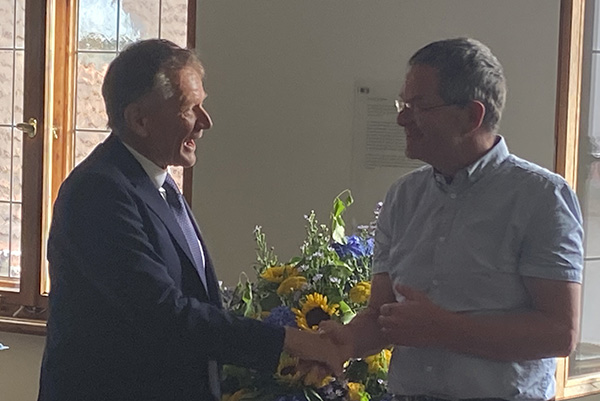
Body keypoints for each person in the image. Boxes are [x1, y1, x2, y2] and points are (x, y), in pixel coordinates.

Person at [38, 39, 344, 401]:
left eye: (203, 105)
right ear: (139, 120)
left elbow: (194, 302)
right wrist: (289, 342)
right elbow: (163, 313)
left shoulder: (158, 183)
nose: (205, 122)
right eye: (189, 109)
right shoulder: (98, 192)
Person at [321, 38, 584, 401]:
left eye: (419, 106)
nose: (401, 118)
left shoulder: (541, 198)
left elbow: (559, 334)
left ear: (472, 116)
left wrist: (445, 330)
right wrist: (346, 341)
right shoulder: (403, 197)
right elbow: (383, 315)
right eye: (403, 104)